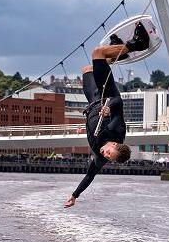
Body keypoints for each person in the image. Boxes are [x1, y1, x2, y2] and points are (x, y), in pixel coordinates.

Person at [64, 22, 150, 208]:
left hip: (92, 100)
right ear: (114, 145)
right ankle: (137, 43)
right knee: (97, 53)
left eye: (108, 158)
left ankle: (118, 50)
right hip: (106, 94)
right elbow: (119, 103)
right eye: (110, 154)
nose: (106, 155)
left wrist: (74, 195)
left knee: (87, 69)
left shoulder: (101, 157)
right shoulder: (116, 131)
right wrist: (110, 107)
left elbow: (90, 175)